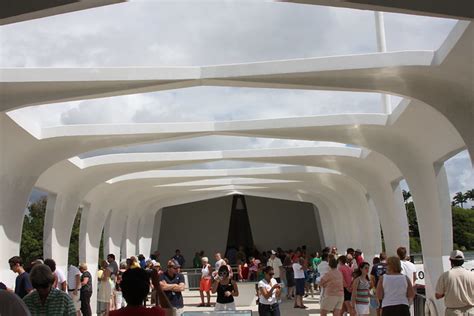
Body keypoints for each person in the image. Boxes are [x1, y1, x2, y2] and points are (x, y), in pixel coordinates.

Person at [435, 250, 474, 316]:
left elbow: (438, 295)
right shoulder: (472, 274)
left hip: (453, 312)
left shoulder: (445, 275)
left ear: (450, 260)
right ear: (463, 261)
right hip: (471, 312)